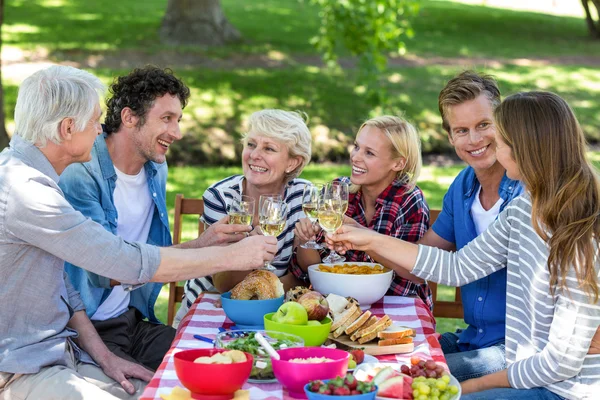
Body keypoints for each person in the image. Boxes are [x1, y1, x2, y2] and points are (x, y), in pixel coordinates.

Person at [0, 65, 277, 400]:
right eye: (94, 120)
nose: (101, 127)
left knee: (202, 379)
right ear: (68, 128)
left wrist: (105, 358)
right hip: (22, 368)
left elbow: (65, 288)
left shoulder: (37, 177)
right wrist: (230, 256)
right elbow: (118, 262)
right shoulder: (27, 192)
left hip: (70, 347)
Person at [327, 91, 600, 399]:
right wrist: (369, 238)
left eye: (501, 139)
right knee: (380, 372)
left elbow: (556, 366)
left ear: (525, 148)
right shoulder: (525, 208)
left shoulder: (577, 235)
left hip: (562, 390)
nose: (492, 146)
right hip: (521, 365)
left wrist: (460, 389)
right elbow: (456, 267)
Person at [58, 67, 252, 372]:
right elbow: (105, 271)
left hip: (130, 320)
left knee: (221, 363)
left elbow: (146, 256)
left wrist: (204, 243)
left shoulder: (155, 166)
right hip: (87, 332)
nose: (177, 133)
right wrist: (213, 254)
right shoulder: (82, 175)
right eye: (166, 119)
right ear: (129, 117)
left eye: (178, 120)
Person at [416, 71, 522, 381]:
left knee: (414, 378)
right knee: (387, 354)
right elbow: (422, 261)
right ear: (450, 137)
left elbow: (456, 268)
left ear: (502, 124)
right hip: (472, 340)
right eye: (461, 130)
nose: (474, 140)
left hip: (516, 352)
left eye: (483, 125)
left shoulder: (528, 192)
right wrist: (358, 238)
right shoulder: (462, 187)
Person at [174, 109, 312, 326]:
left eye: (269, 148)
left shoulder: (303, 197)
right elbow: (223, 283)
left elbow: (304, 276)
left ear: (292, 163)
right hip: (210, 305)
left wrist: (259, 293)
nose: (255, 155)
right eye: (251, 144)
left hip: (273, 311)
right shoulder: (221, 196)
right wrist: (249, 248)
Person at [291, 115, 432, 308]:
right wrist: (304, 240)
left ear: (398, 163)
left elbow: (415, 273)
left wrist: (366, 239)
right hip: (339, 305)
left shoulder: (408, 200)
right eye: (356, 146)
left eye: (369, 153)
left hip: (397, 306)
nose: (355, 157)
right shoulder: (337, 192)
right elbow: (311, 268)